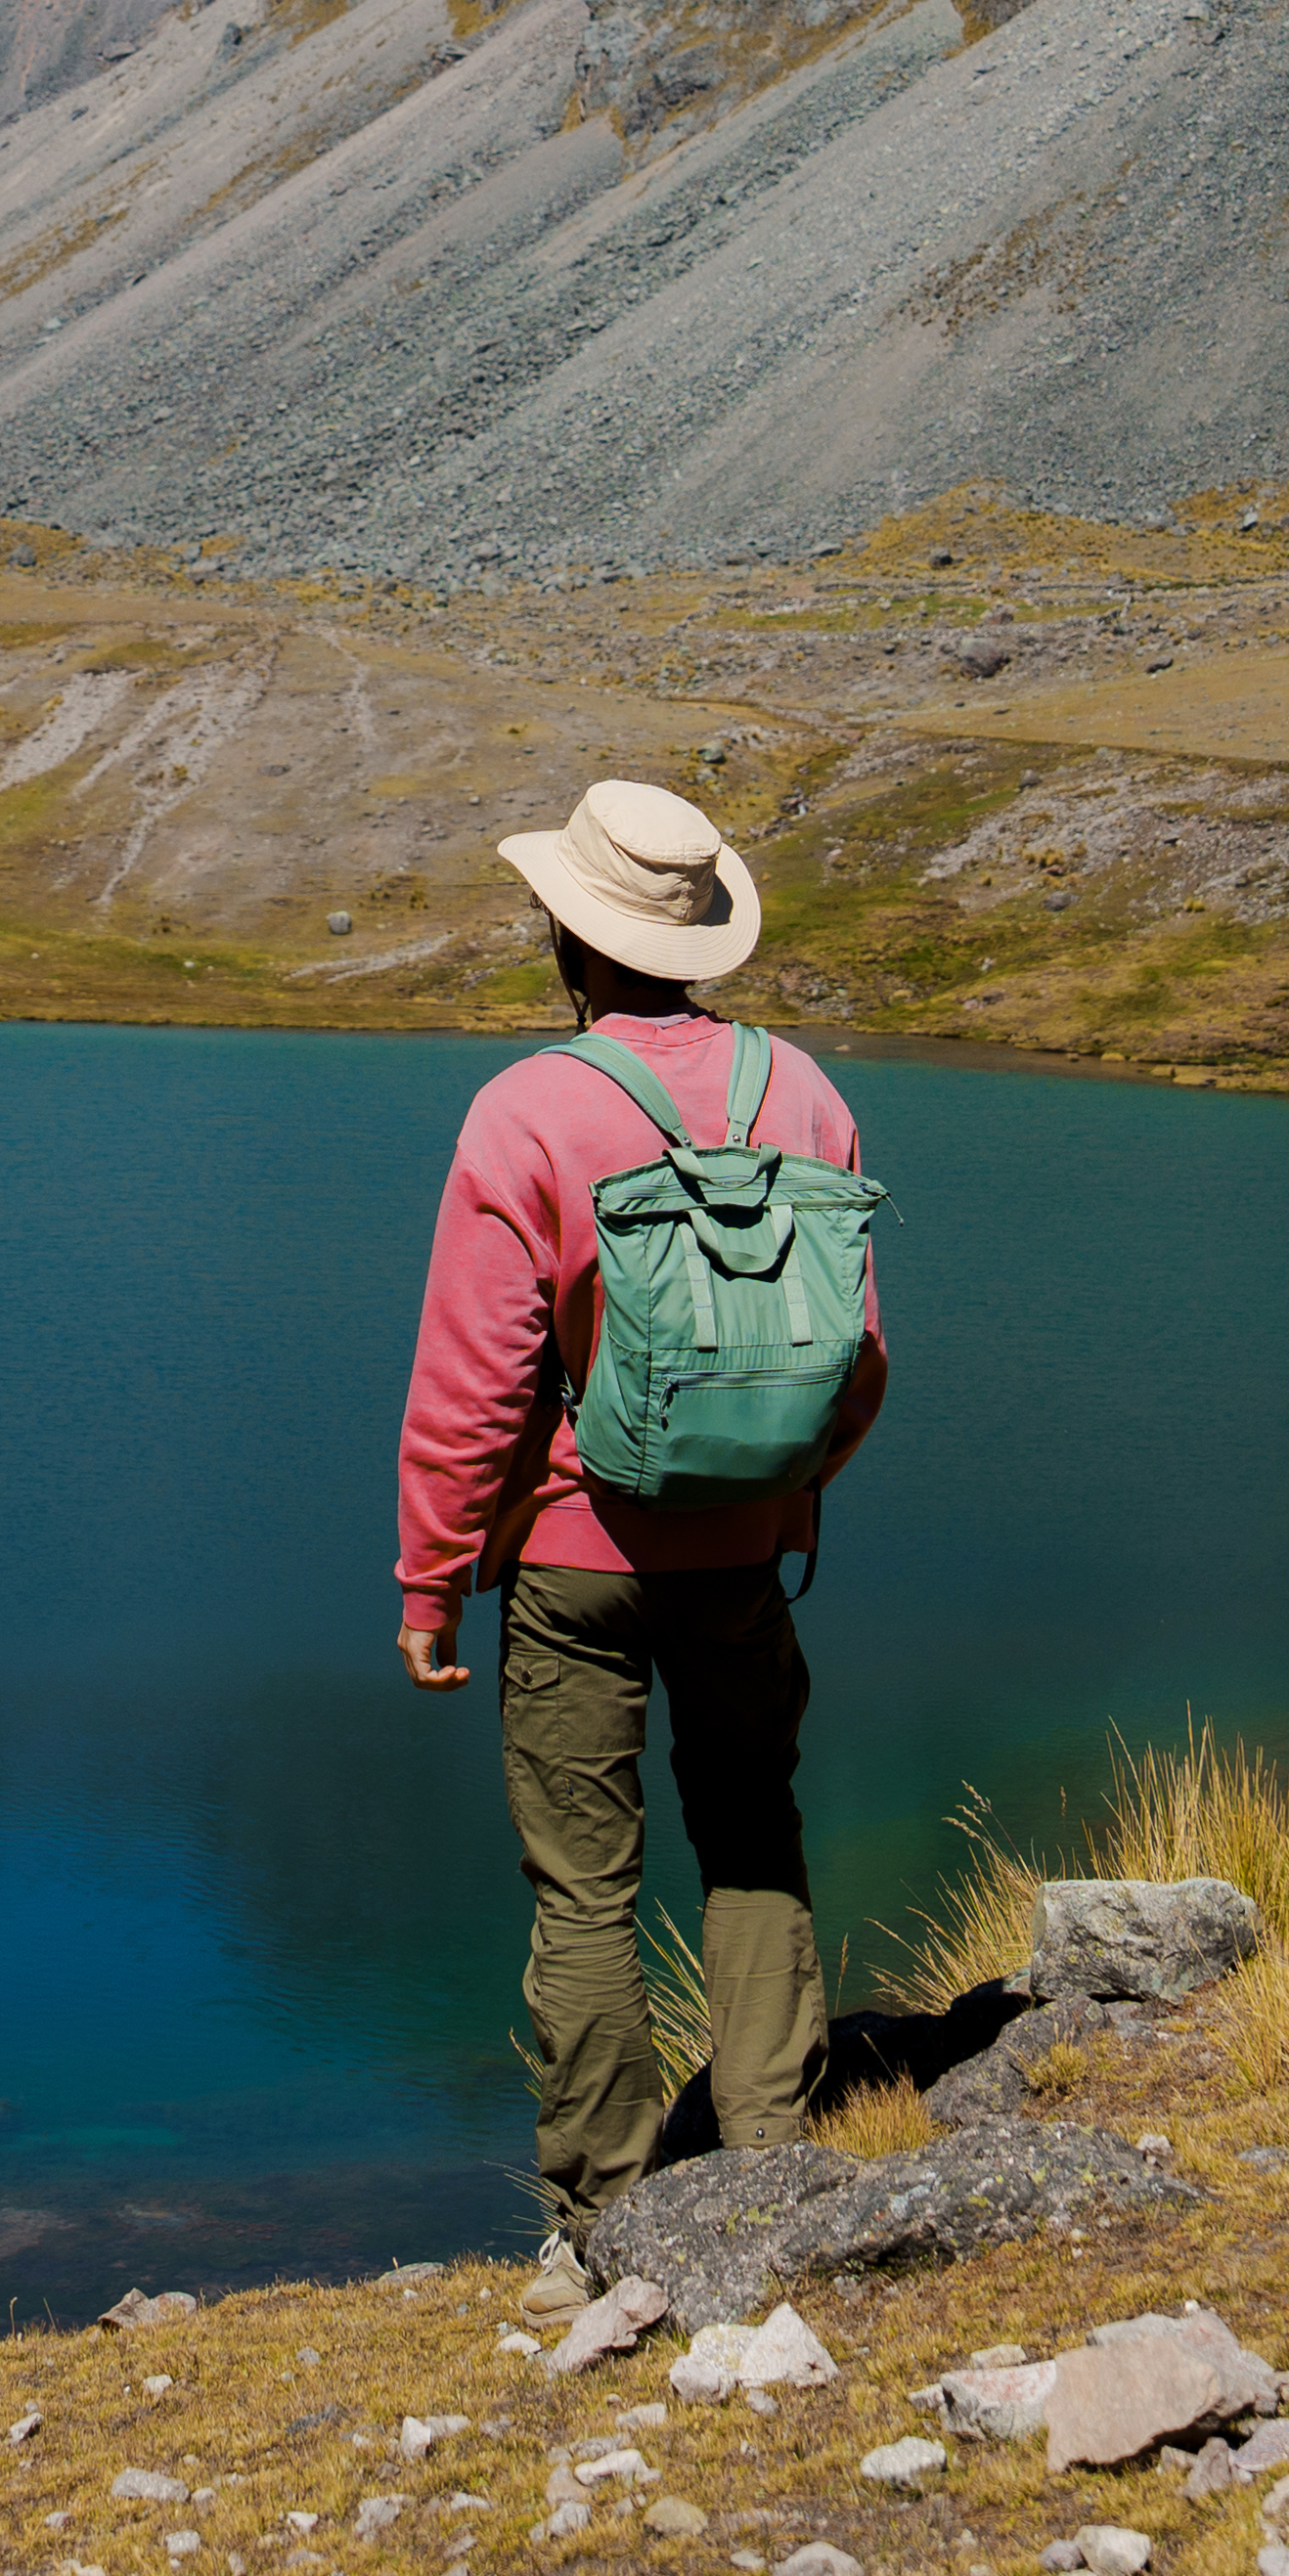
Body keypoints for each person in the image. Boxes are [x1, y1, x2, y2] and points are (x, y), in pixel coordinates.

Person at [390, 777, 889, 2245]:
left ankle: (605, 2220)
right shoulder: (805, 1093)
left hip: (569, 1559)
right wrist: (777, 1491)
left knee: (585, 1892)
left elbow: (475, 1387)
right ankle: (777, 2169)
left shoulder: (527, 1108)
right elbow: (857, 1359)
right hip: (746, 1556)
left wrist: (432, 1585)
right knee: (751, 1839)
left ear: (571, 936)